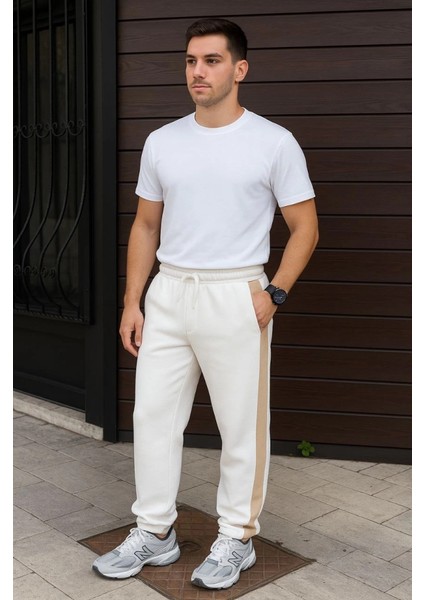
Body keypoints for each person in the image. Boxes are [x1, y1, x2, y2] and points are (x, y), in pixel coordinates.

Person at [92, 17, 318, 590]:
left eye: (212, 60)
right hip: (169, 291)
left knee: (241, 425)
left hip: (236, 294)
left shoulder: (273, 142)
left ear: (240, 69)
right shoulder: (162, 141)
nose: (198, 71)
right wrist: (133, 302)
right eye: (191, 61)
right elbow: (146, 226)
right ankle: (155, 531)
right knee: (152, 418)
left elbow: (305, 227)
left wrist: (274, 293)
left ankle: (237, 537)